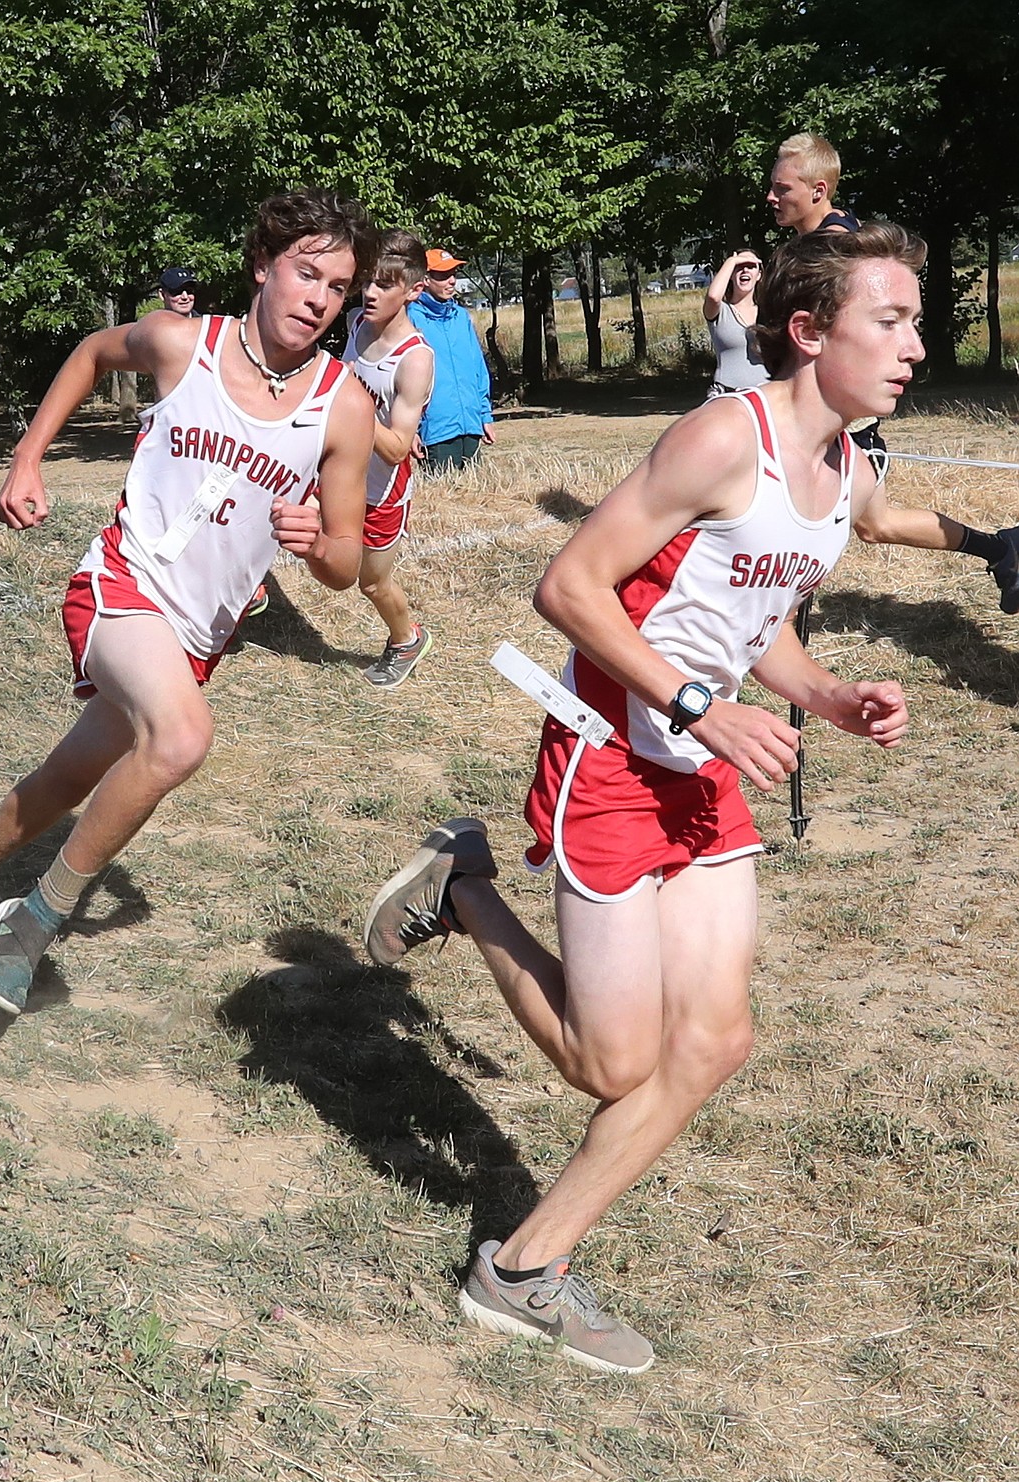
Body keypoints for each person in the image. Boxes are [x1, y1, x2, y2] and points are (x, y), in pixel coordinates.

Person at [364, 224, 922, 1375]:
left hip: (702, 773)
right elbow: (567, 584)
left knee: (716, 1040)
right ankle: (465, 890)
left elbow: (750, 621)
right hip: (610, 754)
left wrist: (829, 695)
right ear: (811, 334)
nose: (914, 345)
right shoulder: (728, 435)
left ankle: (520, 1268)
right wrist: (701, 705)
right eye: (892, 321)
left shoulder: (850, 471)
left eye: (916, 321)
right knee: (610, 1064)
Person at [0, 188, 377, 1014]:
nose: (318, 298)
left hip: (199, 635)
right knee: (181, 738)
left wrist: (316, 543)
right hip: (120, 583)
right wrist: (26, 457)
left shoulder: (343, 404)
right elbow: (92, 352)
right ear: (264, 266)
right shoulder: (180, 344)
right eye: (306, 273)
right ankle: (35, 920)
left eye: (337, 287)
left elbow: (348, 560)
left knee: (71, 773)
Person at [769, 133, 1019, 611]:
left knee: (805, 512)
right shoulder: (820, 242)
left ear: (818, 191)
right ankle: (1002, 548)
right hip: (830, 405)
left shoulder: (837, 248)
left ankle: (780, 629)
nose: (772, 197)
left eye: (783, 189)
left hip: (838, 408)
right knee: (875, 524)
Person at [343, 230, 437, 688]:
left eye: (384, 284)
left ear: (414, 290)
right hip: (339, 473)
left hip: (382, 490)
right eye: (369, 282)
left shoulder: (415, 359)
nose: (370, 292)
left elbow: (399, 446)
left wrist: (348, 400)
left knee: (372, 583)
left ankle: (407, 638)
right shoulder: (356, 322)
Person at [408, 249, 494, 471]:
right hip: (436, 431)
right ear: (425, 279)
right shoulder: (409, 317)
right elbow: (402, 378)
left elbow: (478, 368)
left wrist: (484, 415)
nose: (452, 280)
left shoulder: (461, 317)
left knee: (476, 498)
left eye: (453, 273)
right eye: (443, 275)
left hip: (471, 426)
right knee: (446, 500)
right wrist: (411, 429)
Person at [702, 250, 768, 395]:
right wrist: (731, 261)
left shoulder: (768, 312)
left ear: (759, 275)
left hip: (766, 395)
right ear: (730, 274)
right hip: (728, 395)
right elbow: (713, 296)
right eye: (739, 266)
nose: (744, 269)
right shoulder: (721, 311)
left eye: (751, 266)